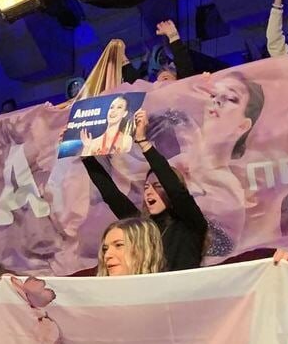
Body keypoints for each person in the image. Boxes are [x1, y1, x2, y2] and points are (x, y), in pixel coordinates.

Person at [85, 109, 207, 271]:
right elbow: (111, 195)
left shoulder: (190, 223)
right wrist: (86, 156)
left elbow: (175, 190)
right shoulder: (143, 227)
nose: (149, 192)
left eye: (158, 186)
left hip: (184, 288)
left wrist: (142, 141)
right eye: (146, 187)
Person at [96, 217, 164, 277]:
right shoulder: (95, 287)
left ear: (144, 250)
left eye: (118, 245)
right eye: (105, 249)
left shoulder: (167, 286)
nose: (107, 256)